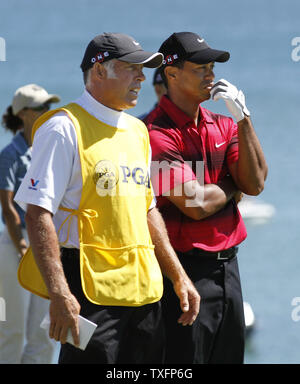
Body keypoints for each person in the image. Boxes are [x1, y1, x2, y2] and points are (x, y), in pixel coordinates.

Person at [15, 33, 200, 364]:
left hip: (143, 287)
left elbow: (148, 210)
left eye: (142, 70)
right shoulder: (63, 128)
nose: (142, 77)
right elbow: (37, 213)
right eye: (132, 68)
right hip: (88, 287)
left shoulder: (137, 131)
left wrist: (178, 275)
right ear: (99, 71)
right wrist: (59, 293)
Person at [144, 32, 268, 364]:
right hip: (184, 273)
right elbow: (195, 204)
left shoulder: (225, 124)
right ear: (171, 73)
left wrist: (244, 119)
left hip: (229, 270)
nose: (211, 76)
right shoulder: (156, 133)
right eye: (200, 68)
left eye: (211, 67)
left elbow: (255, 182)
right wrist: (231, 187)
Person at [0, 84, 60, 363]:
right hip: (17, 244)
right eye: (40, 108)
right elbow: (9, 208)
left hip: (44, 243)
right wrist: (22, 246)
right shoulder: (10, 154)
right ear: (23, 113)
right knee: (12, 330)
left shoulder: (49, 148)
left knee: (44, 330)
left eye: (48, 107)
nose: (46, 112)